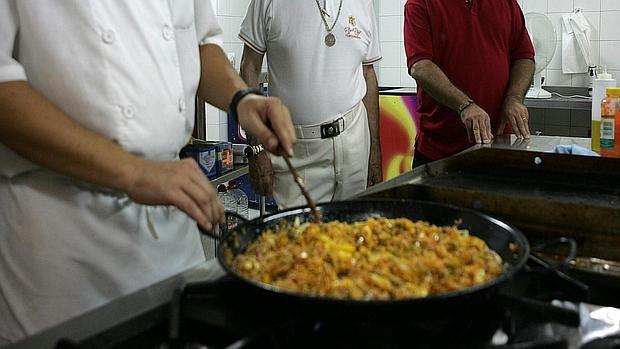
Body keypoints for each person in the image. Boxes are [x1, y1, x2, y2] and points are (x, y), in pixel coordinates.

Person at [0, 1, 295, 344]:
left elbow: (199, 44)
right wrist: (134, 171)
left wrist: (242, 98)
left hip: (171, 224)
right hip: (63, 238)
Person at [238, 0, 382, 209]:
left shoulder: (363, 3)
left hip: (355, 144)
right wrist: (257, 148)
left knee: (354, 231)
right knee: (300, 236)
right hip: (297, 150)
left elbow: (368, 73)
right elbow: (248, 69)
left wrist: (375, 149)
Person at [404, 0, 535, 167]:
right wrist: (465, 105)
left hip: (499, 145)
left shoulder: (508, 4)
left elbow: (524, 56)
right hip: (440, 151)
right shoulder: (420, 4)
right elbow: (420, 66)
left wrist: (514, 98)